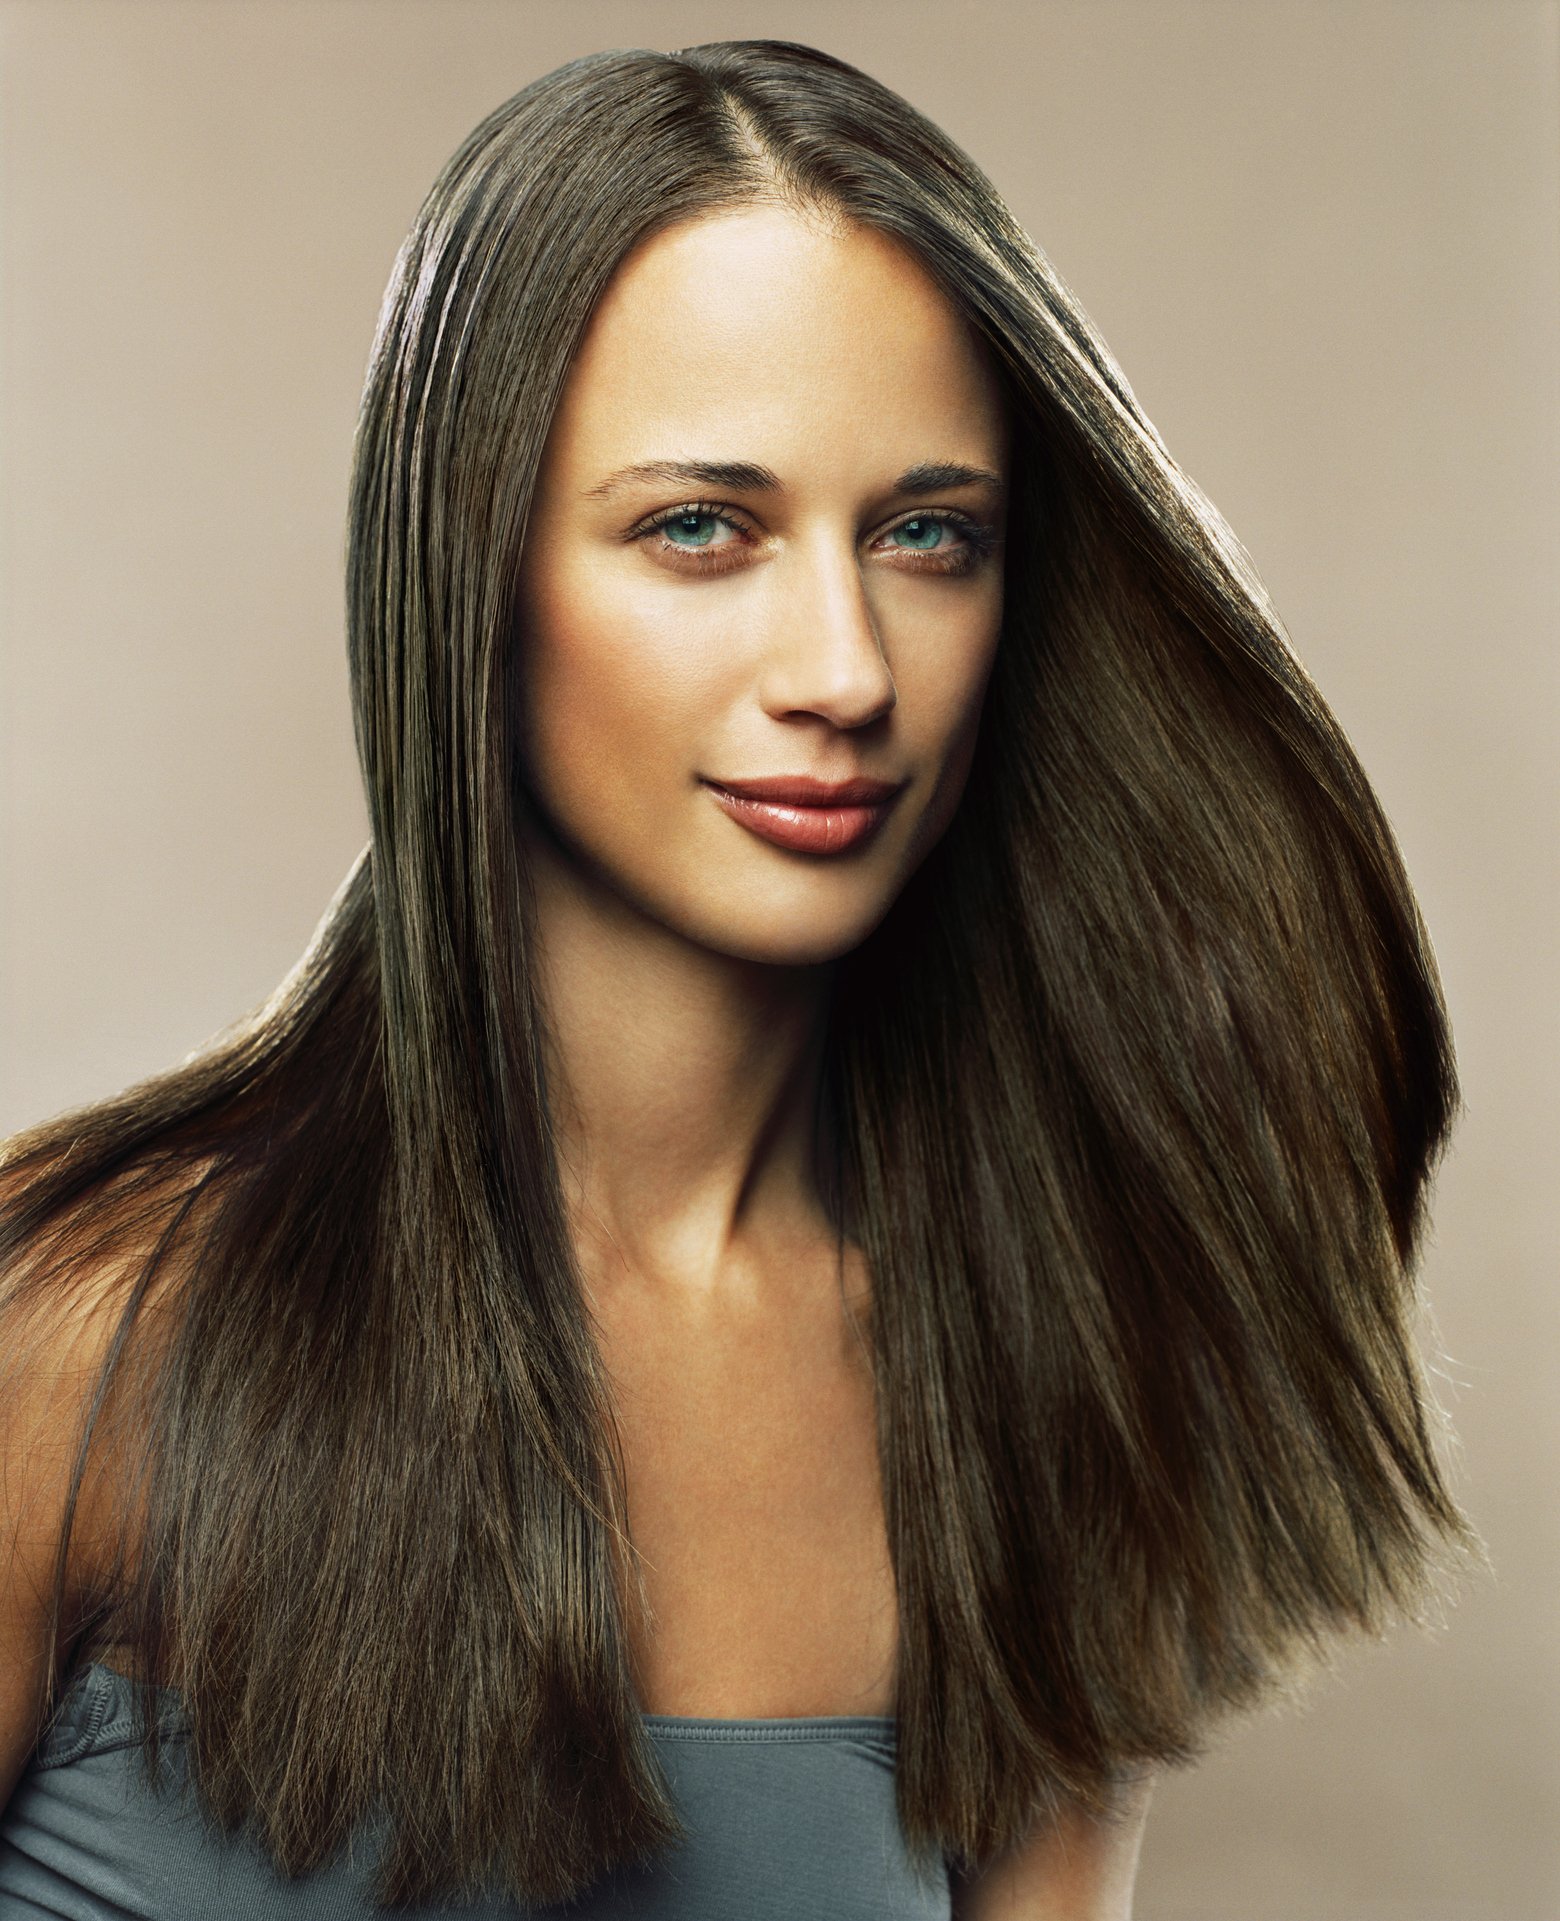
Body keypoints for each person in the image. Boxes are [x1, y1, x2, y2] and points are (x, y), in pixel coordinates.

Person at [0, 36, 1476, 1920]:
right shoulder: (74, 1333)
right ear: (474, 578)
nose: (846, 668)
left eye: (925, 535)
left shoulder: (1059, 1371)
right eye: (701, 528)